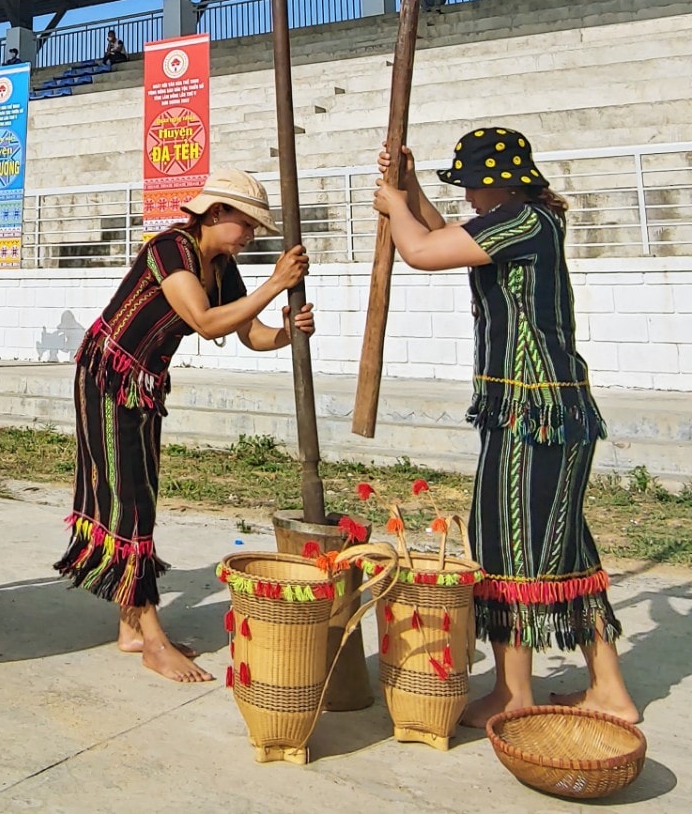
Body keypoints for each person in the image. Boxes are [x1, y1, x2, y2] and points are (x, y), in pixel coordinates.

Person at [372, 128, 637, 726]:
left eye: (471, 183)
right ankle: (609, 690)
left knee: (506, 547)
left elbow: (422, 250)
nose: (466, 194)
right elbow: (444, 235)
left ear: (502, 182)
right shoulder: (526, 220)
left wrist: (394, 206)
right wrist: (409, 185)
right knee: (567, 547)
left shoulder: (525, 223)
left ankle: (514, 692)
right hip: (543, 410)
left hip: (532, 415)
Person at [54, 168, 314, 683]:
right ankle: (151, 639)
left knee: (139, 493)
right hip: (107, 378)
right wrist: (275, 284)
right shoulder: (170, 248)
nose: (251, 236)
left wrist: (287, 332)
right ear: (216, 214)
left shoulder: (223, 265)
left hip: (144, 386)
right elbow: (205, 321)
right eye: (247, 225)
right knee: (128, 500)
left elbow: (250, 334)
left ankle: (131, 627)